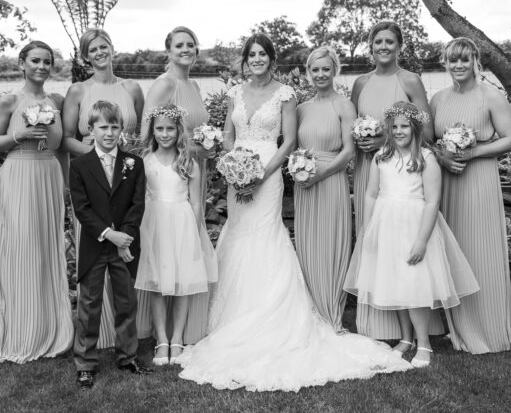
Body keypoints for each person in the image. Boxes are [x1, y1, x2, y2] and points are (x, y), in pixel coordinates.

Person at [177, 34, 411, 392]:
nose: (256, 59)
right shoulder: (234, 92)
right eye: (251, 54)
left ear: (272, 60)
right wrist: (231, 166)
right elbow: (227, 134)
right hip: (236, 173)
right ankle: (231, 317)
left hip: (267, 176)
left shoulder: (286, 95)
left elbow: (287, 142)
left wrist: (259, 175)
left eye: (262, 55)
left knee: (265, 237)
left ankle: (276, 316)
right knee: (236, 237)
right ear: (245, 59)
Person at [344, 101, 479, 368]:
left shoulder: (426, 159)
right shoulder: (381, 155)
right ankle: (406, 339)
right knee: (394, 282)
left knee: (413, 284)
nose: (399, 131)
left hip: (413, 225)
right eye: (394, 127)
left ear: (415, 128)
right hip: (385, 224)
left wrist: (421, 240)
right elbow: (371, 193)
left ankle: (424, 342)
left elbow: (432, 202)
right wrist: (367, 228)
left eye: (405, 126)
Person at [0, 40, 73, 363]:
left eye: (47, 61)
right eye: (35, 60)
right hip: (19, 174)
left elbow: (61, 148)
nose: (42, 66)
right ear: (22, 63)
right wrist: (20, 135)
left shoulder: (56, 100)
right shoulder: (10, 100)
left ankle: (49, 327)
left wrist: (63, 185)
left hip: (49, 176)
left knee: (47, 250)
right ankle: (19, 332)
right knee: (22, 249)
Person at [430, 37, 511, 354]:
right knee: (455, 252)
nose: (457, 66)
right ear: (446, 63)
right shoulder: (438, 99)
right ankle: (459, 327)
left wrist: (475, 152)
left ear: (475, 61)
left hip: (479, 181)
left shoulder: (490, 96)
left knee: (481, 250)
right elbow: (429, 142)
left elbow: (510, 140)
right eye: (452, 60)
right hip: (449, 182)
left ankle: (490, 327)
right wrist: (442, 157)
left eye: (464, 60)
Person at [351, 20, 434, 340]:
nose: (383, 47)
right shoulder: (360, 83)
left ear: (399, 46)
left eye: (389, 41)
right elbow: (354, 124)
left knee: (401, 248)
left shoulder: (410, 80)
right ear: (370, 47)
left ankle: (414, 331)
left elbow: (427, 130)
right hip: (368, 170)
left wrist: (386, 138)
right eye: (377, 42)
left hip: (401, 173)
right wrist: (362, 140)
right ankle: (376, 324)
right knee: (373, 243)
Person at [62, 28, 144, 350]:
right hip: (92, 177)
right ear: (85, 56)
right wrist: (100, 158)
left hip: (126, 177)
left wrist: (124, 160)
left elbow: (142, 133)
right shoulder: (77, 91)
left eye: (104, 46)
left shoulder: (132, 88)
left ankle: (127, 341)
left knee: (126, 254)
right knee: (95, 259)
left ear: (113, 48)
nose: (100, 52)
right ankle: (93, 340)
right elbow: (67, 138)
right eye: (93, 49)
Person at [137, 26, 211, 345]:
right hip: (170, 170)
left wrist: (206, 146)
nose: (186, 49)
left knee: (186, 256)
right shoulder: (163, 84)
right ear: (168, 50)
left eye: (190, 44)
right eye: (179, 45)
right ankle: (161, 335)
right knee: (164, 258)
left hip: (192, 169)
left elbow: (195, 129)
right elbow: (147, 134)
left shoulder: (192, 84)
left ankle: (185, 332)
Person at [69, 100, 149, 389]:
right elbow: (82, 208)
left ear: (121, 130)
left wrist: (124, 237)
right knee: (89, 305)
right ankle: (85, 363)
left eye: (115, 126)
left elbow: (136, 205)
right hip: (96, 244)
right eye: (103, 126)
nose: (109, 132)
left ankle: (127, 356)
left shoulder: (134, 163)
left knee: (126, 302)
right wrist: (108, 234)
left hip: (125, 246)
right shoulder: (79, 166)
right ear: (91, 129)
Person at [134, 105, 217, 366]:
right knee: (158, 283)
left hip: (183, 225)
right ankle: (161, 339)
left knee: (182, 284)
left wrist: (194, 230)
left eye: (170, 129)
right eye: (159, 129)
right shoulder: (145, 161)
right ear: (153, 131)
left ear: (179, 130)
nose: (165, 134)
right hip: (155, 225)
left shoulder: (188, 162)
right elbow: (141, 197)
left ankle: (178, 337)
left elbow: (195, 201)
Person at [293, 46, 356, 332]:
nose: (320, 74)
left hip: (330, 181)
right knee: (307, 247)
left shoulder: (343, 105)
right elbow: (293, 149)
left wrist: (319, 175)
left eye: (325, 69)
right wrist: (299, 171)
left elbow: (349, 151)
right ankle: (311, 313)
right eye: (315, 69)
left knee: (331, 245)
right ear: (308, 72)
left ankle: (332, 314)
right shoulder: (301, 109)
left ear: (335, 71)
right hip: (304, 186)